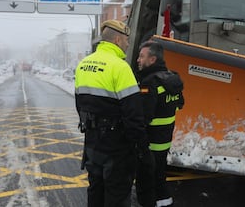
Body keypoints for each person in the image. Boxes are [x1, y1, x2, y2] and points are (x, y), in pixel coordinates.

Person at [74, 19, 149, 207]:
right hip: (117, 146)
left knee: (95, 190)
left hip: (92, 142)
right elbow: (133, 113)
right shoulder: (120, 67)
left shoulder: (83, 64)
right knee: (117, 194)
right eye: (126, 40)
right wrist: (141, 148)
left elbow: (79, 104)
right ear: (117, 40)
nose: (127, 45)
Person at [135, 40, 184, 207]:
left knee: (145, 182)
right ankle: (165, 203)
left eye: (142, 56)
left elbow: (143, 117)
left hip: (150, 144)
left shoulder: (149, 83)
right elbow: (180, 104)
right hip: (164, 142)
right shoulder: (172, 79)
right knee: (159, 178)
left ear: (153, 60)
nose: (138, 60)